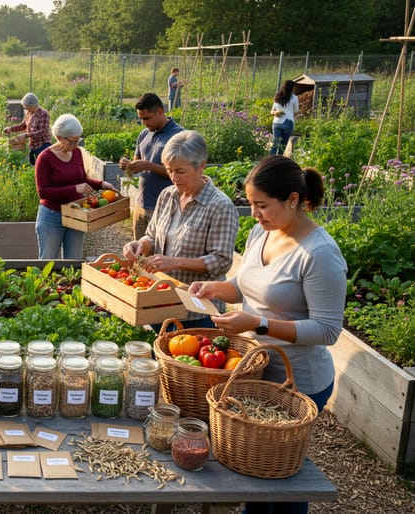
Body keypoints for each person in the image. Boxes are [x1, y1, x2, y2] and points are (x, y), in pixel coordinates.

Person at [189, 156, 346, 514]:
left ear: (293, 200)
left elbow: (327, 330)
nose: (254, 214)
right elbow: (247, 286)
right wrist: (215, 288)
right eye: (251, 205)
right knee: (254, 470)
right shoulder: (263, 231)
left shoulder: (319, 255)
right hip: (255, 370)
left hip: (297, 381)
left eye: (262, 205)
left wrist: (256, 324)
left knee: (281, 477)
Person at [122, 130, 239, 330]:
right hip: (161, 300)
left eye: (180, 171)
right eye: (169, 170)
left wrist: (175, 262)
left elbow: (221, 261)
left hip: (196, 309)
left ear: (201, 166)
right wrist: (141, 244)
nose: (174, 178)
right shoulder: (167, 196)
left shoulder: (220, 206)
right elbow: (152, 235)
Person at [35, 114, 118, 260]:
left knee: (74, 261)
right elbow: (43, 192)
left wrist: (102, 184)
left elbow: (82, 179)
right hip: (52, 215)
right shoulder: (45, 158)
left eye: (77, 141)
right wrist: (75, 189)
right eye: (72, 142)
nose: (75, 145)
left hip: (77, 212)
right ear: (59, 137)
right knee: (48, 261)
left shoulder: (77, 152)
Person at [119, 93, 185, 240]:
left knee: (159, 254)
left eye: (146, 118)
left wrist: (149, 165)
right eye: (141, 118)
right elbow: (137, 162)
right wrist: (128, 165)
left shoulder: (179, 136)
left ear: (160, 112)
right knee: (138, 253)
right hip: (141, 204)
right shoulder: (144, 134)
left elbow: (182, 173)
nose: (143, 122)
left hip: (164, 207)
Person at [3, 92, 52, 165]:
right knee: (33, 167)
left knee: (41, 167)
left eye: (27, 107)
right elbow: (23, 125)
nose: (26, 109)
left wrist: (26, 135)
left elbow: (42, 132)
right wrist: (10, 129)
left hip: (42, 145)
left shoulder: (43, 114)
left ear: (32, 105)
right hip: (33, 146)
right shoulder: (29, 113)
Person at [271, 79, 300, 155]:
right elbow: (296, 111)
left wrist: (276, 113)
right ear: (291, 88)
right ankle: (279, 162)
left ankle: (270, 161)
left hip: (276, 123)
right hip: (288, 122)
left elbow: (272, 111)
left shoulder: (277, 96)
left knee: (275, 144)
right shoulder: (294, 98)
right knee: (283, 145)